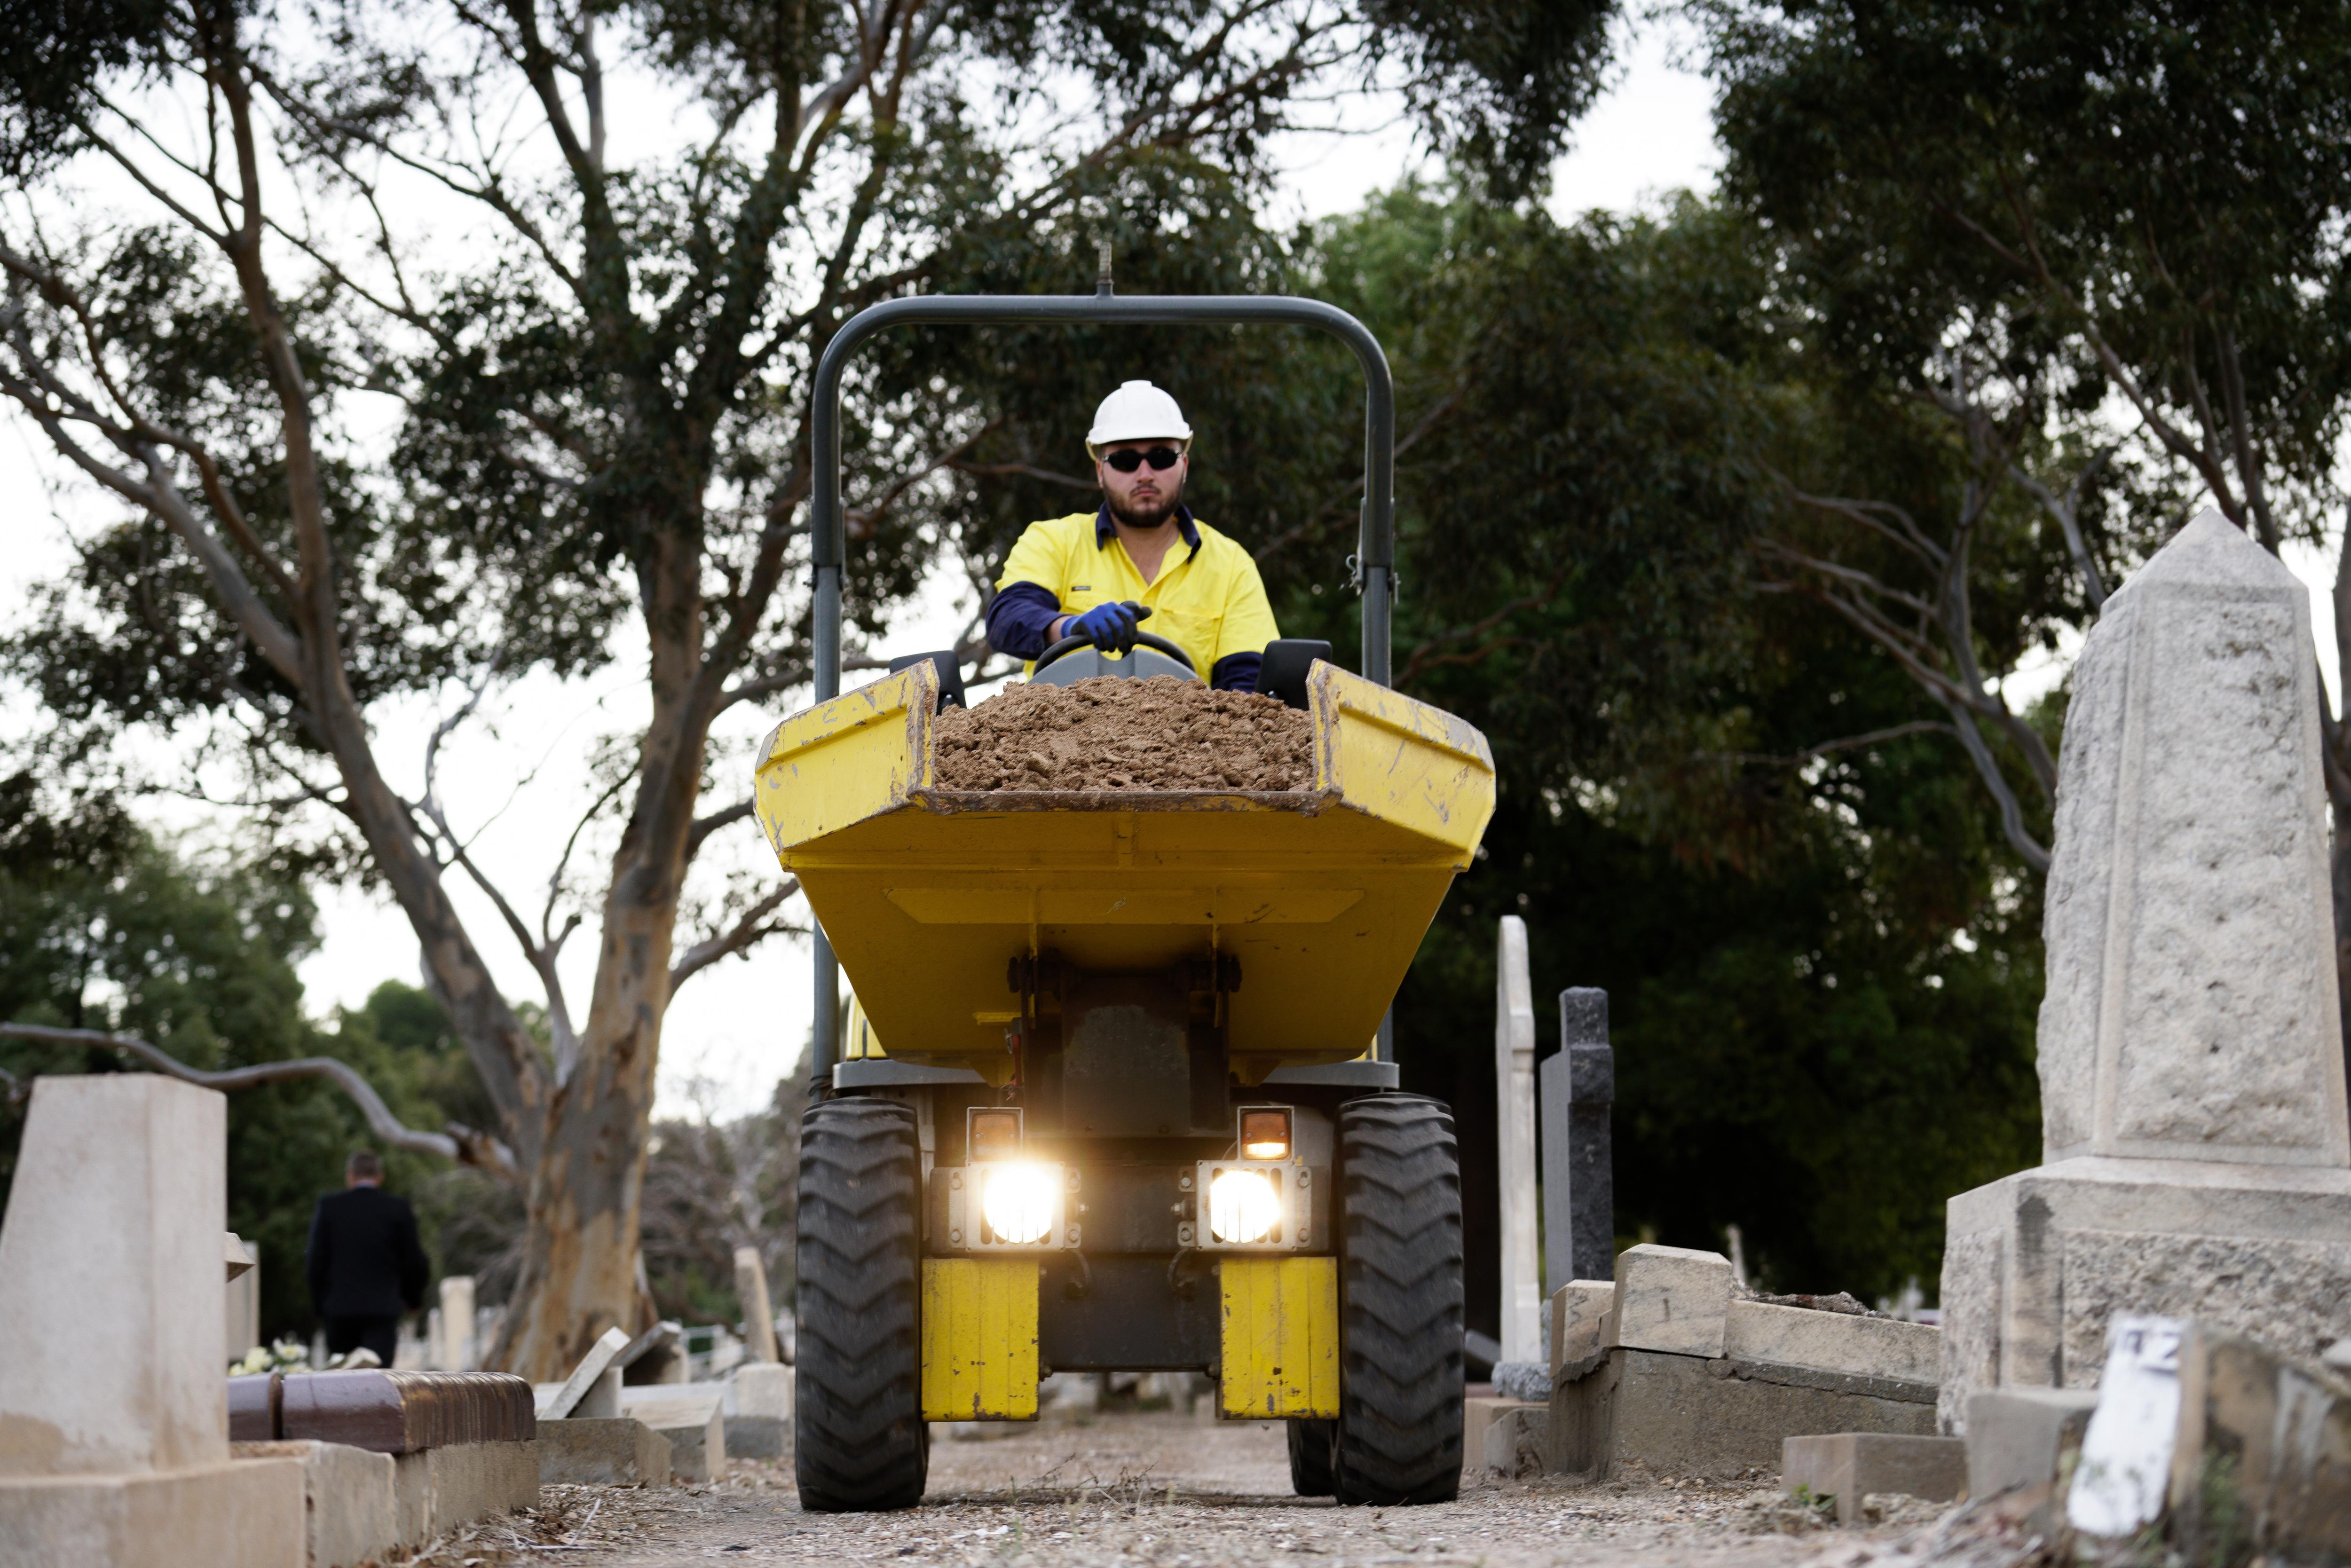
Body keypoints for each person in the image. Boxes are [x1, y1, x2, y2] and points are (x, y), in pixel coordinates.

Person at [986, 380, 1279, 692]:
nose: (1145, 474)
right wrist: (1069, 627)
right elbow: (1008, 619)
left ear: (1184, 465)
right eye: (1125, 460)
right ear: (1100, 471)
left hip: (1188, 739)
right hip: (1060, 738)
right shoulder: (1051, 541)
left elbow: (1250, 685)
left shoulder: (1232, 564)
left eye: (1161, 457)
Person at [305, 1150, 431, 1366]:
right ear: (380, 1177)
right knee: (377, 1382)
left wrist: (321, 1305)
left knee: (342, 1384)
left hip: (340, 1311)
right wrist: (413, 1300)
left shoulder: (330, 1208)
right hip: (382, 1311)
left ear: (350, 1176)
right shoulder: (398, 1209)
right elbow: (413, 1261)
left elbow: (316, 1262)